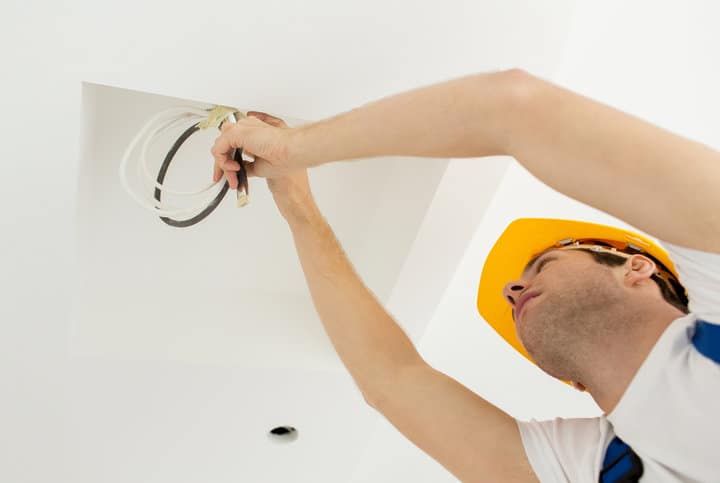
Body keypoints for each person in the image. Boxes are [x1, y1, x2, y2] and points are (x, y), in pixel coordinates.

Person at [210, 69, 720, 482]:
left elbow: (389, 381)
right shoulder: (596, 464)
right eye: (542, 265)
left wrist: (296, 148)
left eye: (538, 267)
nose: (511, 288)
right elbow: (394, 376)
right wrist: (295, 198)